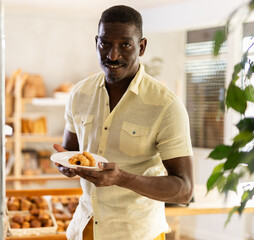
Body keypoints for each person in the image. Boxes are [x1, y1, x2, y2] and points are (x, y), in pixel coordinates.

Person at [53, 5, 193, 240]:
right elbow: (70, 152)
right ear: (96, 42)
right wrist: (65, 165)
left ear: (142, 47)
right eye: (105, 43)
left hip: (137, 233)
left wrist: (122, 178)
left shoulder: (166, 104)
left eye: (125, 45)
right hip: (85, 228)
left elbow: (184, 190)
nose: (113, 55)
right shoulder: (79, 94)